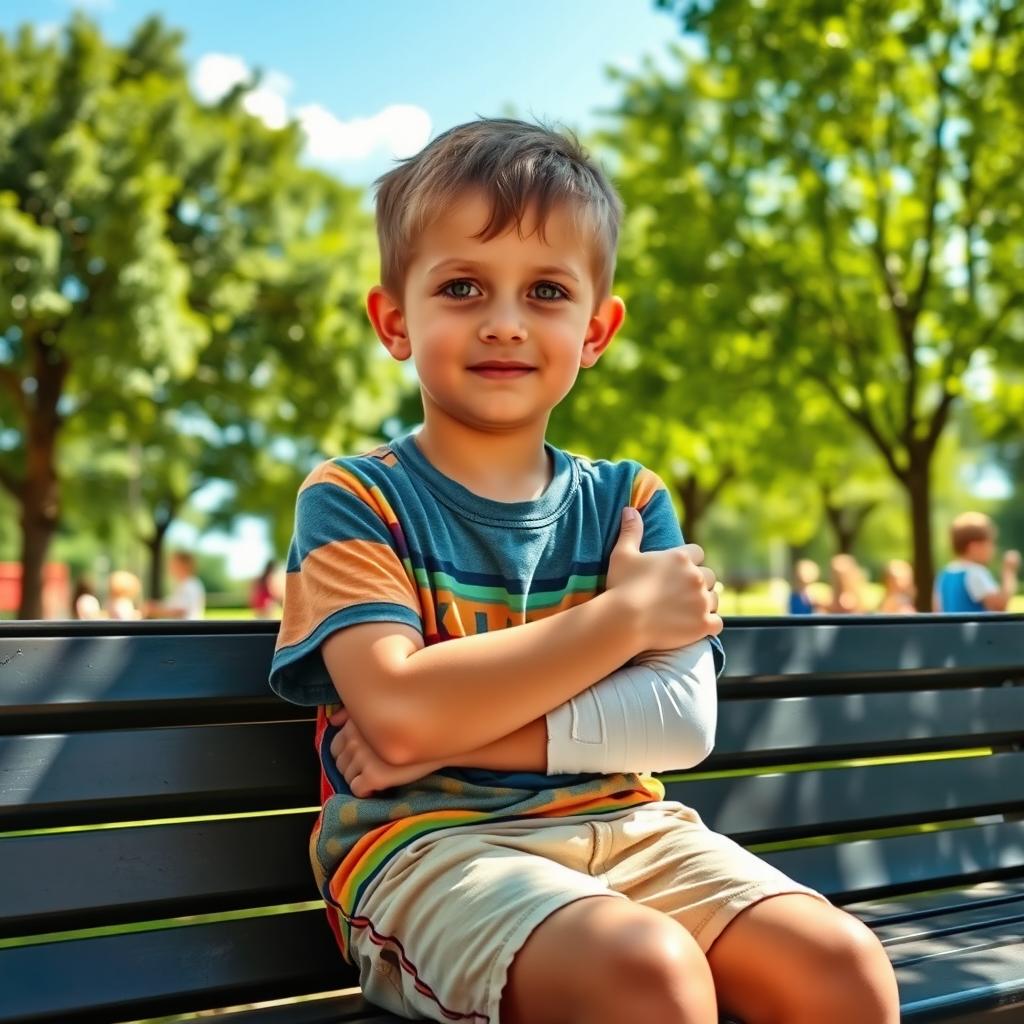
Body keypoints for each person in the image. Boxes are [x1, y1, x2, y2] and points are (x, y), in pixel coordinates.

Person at [269, 119, 898, 1024]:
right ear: (394, 320)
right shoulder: (355, 499)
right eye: (461, 286)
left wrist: (446, 733)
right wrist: (622, 621)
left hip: (635, 831)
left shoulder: (630, 503)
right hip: (431, 850)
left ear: (596, 328)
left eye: (547, 290)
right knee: (649, 976)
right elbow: (398, 709)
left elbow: (674, 725)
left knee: (841, 967)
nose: (504, 321)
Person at [934, 512, 1020, 612]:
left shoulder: (944, 573)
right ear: (974, 547)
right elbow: (999, 606)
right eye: (991, 543)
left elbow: (937, 608)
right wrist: (1009, 572)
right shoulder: (975, 572)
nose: (993, 549)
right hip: (974, 628)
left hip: (952, 628)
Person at [143, 551, 206, 619]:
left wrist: (155, 610)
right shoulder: (185, 584)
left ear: (184, 565)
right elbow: (173, 604)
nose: (170, 567)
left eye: (174, 564)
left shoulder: (190, 585)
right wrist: (155, 605)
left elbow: (180, 610)